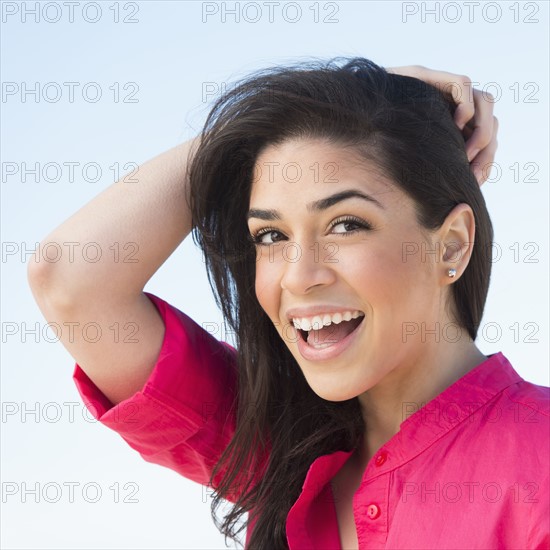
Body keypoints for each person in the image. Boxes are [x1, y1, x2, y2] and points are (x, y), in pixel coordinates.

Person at [27, 58, 548, 550]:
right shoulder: (281, 449)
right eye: (271, 234)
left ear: (451, 244)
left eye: (347, 225)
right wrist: (331, 98)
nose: (299, 276)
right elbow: (72, 279)